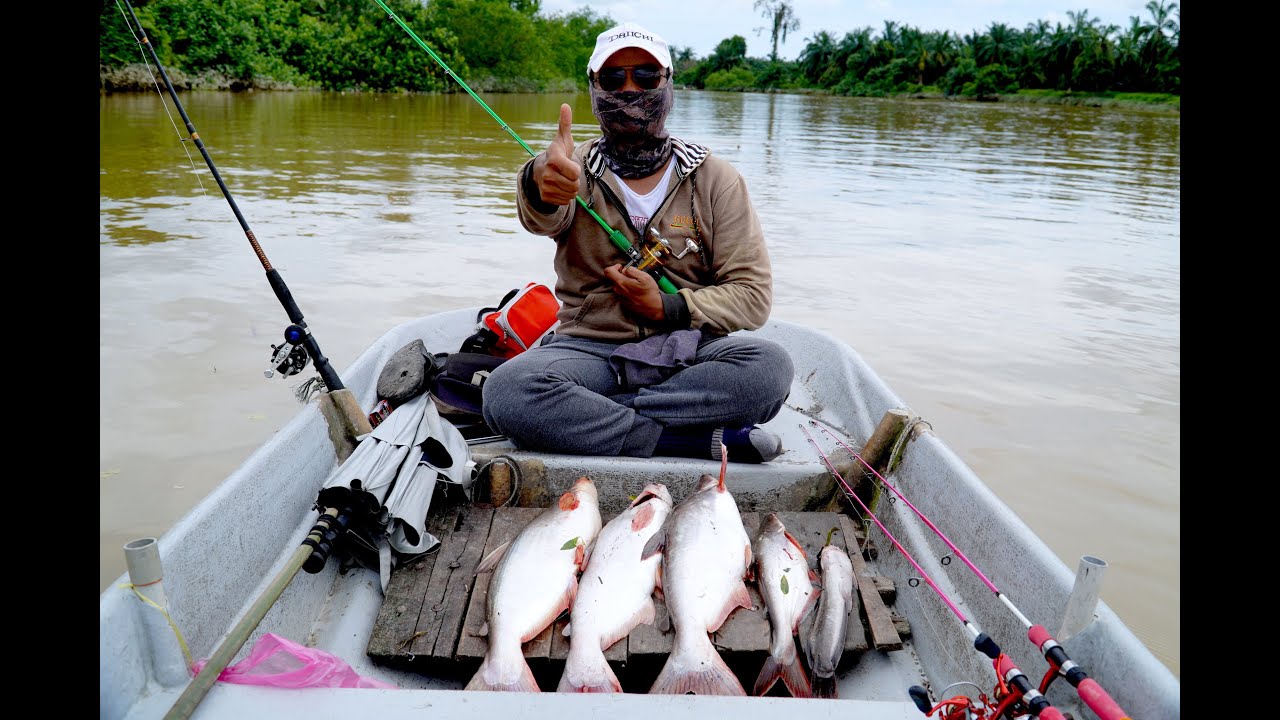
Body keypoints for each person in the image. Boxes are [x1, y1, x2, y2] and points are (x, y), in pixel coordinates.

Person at [481, 21, 794, 464]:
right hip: (589, 351)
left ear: (668, 84)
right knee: (508, 393)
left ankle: (603, 421)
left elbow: (752, 297)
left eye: (646, 76)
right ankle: (683, 438)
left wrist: (670, 308)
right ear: (593, 87)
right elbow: (542, 215)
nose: (630, 90)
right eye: (613, 78)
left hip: (690, 351)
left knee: (769, 369)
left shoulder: (716, 180)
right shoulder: (570, 168)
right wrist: (537, 181)